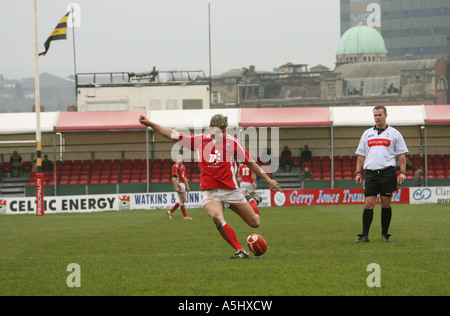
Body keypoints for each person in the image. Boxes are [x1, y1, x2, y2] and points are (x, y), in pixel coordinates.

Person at [139, 114, 282, 259]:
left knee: (255, 223)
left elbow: (250, 163)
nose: (220, 135)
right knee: (216, 217)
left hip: (231, 191)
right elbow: (172, 134)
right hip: (211, 193)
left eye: (223, 131)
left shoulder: (233, 143)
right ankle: (241, 250)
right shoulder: (199, 140)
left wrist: (268, 180)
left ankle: (252, 201)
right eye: (217, 132)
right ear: (210, 129)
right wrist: (150, 123)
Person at [354, 105, 408, 243]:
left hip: (387, 173)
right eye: (375, 115)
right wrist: (358, 172)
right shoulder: (367, 134)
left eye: (380, 115)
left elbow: (401, 155)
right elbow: (360, 156)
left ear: (386, 115)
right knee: (368, 203)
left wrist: (402, 172)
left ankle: (385, 234)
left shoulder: (395, 133)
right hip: (371, 173)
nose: (377, 118)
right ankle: (364, 235)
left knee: (385, 203)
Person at [167, 155, 192, 220]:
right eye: (178, 159)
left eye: (181, 159)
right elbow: (173, 178)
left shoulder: (183, 166)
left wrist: (187, 186)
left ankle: (170, 211)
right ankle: (185, 216)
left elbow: (184, 177)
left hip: (183, 184)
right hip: (179, 184)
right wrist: (176, 187)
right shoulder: (175, 166)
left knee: (183, 200)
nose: (180, 160)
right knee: (181, 200)